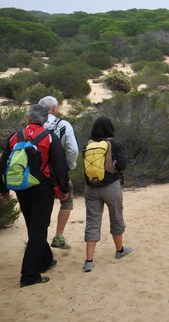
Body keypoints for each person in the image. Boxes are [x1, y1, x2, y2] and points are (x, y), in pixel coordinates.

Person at [0, 104, 69, 287]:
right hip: (42, 188)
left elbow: (4, 161)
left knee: (34, 226)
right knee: (39, 228)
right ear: (45, 119)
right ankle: (29, 276)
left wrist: (3, 189)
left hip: (21, 188)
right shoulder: (49, 137)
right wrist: (64, 189)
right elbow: (60, 165)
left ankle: (45, 260)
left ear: (29, 118)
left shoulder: (16, 136)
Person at [81, 116, 132, 272]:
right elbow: (122, 165)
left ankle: (89, 260)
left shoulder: (88, 144)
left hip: (91, 188)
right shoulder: (115, 143)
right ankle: (119, 250)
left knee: (92, 221)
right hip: (111, 187)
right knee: (116, 217)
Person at [39, 95, 79, 250]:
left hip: (38, 173)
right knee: (66, 201)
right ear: (54, 109)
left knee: (40, 206)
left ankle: (37, 238)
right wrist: (69, 166)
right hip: (59, 172)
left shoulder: (34, 125)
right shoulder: (63, 125)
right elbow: (72, 149)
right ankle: (59, 236)